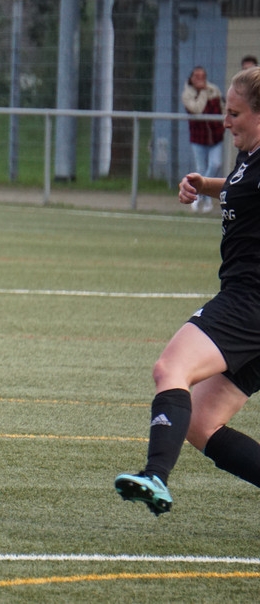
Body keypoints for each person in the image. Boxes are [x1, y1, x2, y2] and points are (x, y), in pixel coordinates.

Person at [115, 66, 260, 516]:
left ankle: (155, 474)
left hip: (248, 301)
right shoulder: (251, 158)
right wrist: (206, 186)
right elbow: (244, 189)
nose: (225, 122)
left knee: (170, 367)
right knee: (201, 422)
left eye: (234, 113)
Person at [181, 66, 225, 213]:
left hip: (215, 137)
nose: (201, 79)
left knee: (215, 164)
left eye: (203, 76)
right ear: (191, 79)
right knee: (201, 168)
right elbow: (197, 109)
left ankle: (200, 194)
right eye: (197, 76)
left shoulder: (214, 89)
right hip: (198, 138)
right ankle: (203, 199)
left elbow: (222, 107)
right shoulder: (187, 94)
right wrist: (203, 92)